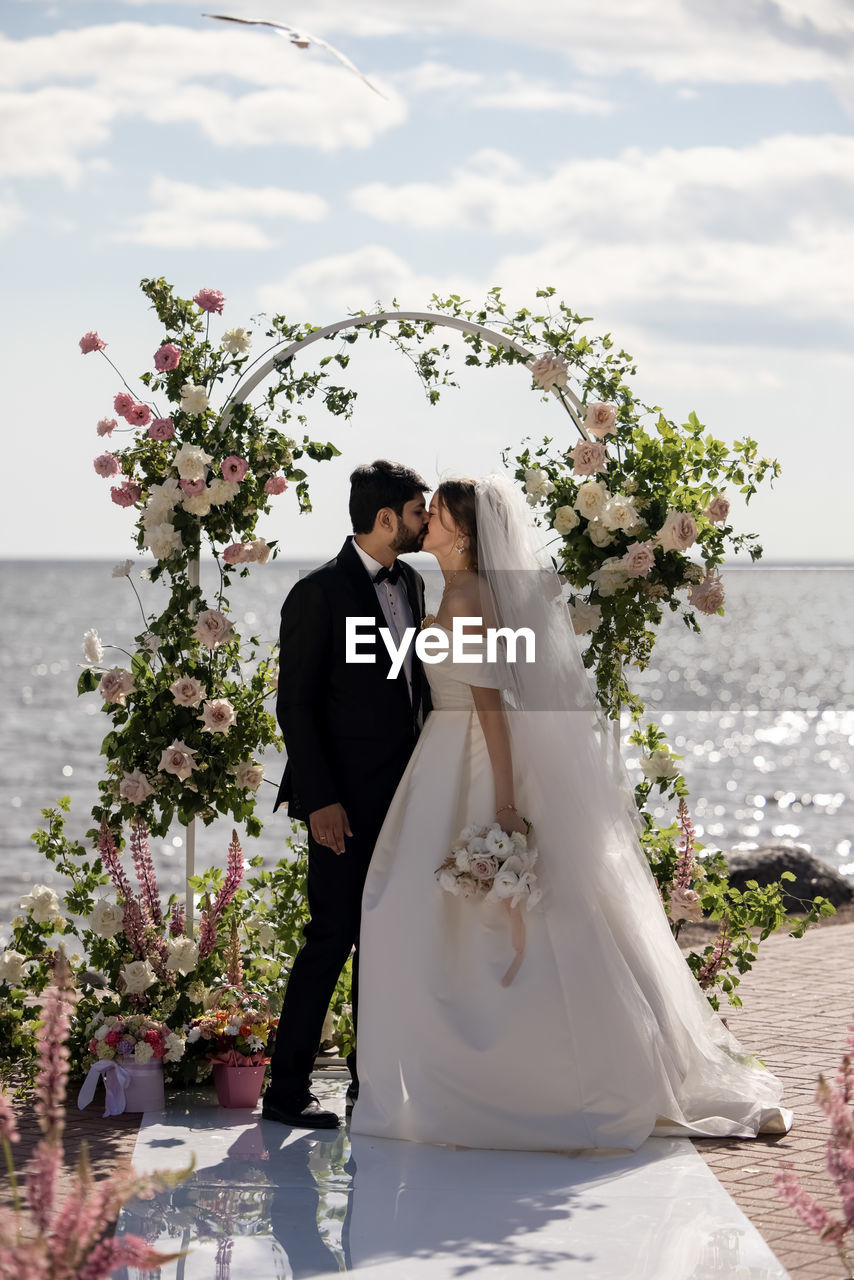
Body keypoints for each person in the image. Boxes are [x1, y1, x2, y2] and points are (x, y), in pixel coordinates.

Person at [351, 474, 791, 1151]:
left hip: (470, 759)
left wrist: (503, 806)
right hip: (440, 757)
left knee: (472, 913)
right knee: (430, 914)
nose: (423, 524)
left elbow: (491, 709)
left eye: (433, 515)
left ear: (463, 533)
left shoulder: (468, 600)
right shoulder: (448, 590)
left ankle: (541, 1075)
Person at [263, 460, 430, 1129]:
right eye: (418, 513)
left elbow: (410, 692)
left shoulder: (412, 584)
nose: (424, 523)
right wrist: (321, 799)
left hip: (407, 798)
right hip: (343, 807)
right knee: (330, 936)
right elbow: (295, 707)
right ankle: (286, 1092)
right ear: (385, 518)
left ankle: (370, 1088)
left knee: (386, 941)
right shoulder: (317, 594)